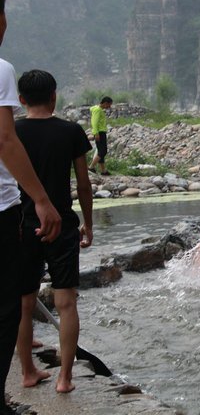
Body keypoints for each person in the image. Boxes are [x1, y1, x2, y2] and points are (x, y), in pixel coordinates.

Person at [0, 0, 61, 414]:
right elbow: (4, 139)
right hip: (2, 209)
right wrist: (40, 199)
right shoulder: (0, 69)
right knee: (7, 305)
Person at [14, 70, 93, 394]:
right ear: (54, 96)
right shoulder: (71, 131)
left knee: (24, 302)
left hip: (23, 225)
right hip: (62, 224)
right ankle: (65, 378)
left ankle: (28, 372)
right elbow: (84, 184)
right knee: (66, 302)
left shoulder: (12, 133)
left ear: (20, 100)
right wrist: (88, 222)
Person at [88, 96, 112, 176]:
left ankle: (103, 170)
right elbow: (94, 122)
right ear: (105, 103)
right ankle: (91, 167)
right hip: (100, 133)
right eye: (109, 105)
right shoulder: (98, 110)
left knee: (101, 150)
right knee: (103, 151)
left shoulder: (98, 109)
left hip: (101, 132)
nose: (109, 107)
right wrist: (96, 133)